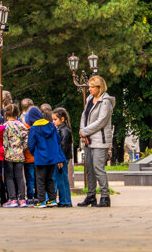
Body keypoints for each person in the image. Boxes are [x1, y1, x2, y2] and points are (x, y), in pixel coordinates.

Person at [78, 75, 115, 208]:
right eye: (89, 87)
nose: (89, 89)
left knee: (98, 167)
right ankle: (91, 196)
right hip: (88, 139)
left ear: (99, 88)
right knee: (89, 168)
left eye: (92, 87)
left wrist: (85, 131)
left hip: (100, 140)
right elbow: (84, 116)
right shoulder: (89, 99)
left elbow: (101, 121)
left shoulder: (106, 101)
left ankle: (105, 197)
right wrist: (83, 132)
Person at [26, 106, 62, 208]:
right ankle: (52, 199)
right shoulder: (51, 125)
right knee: (50, 179)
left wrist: (34, 153)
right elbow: (58, 140)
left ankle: (41, 201)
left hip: (40, 158)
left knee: (40, 179)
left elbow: (31, 144)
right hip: (52, 157)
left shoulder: (34, 128)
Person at [1, 104, 27, 207]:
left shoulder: (5, 126)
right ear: (17, 113)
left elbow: (5, 141)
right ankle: (22, 199)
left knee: (9, 177)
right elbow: (26, 139)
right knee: (20, 176)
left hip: (8, 155)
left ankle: (12, 199)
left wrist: (5, 150)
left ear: (6, 114)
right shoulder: (21, 125)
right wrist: (22, 147)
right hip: (19, 154)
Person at [53, 107, 74, 207]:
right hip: (62, 157)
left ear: (62, 119)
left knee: (62, 179)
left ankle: (65, 201)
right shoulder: (61, 129)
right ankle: (64, 200)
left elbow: (63, 146)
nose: (54, 121)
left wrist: (59, 159)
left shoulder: (64, 130)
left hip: (62, 158)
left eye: (55, 119)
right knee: (61, 179)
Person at [20, 98, 37, 203]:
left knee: (30, 179)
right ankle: (38, 196)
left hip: (28, 158)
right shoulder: (37, 127)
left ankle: (30, 197)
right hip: (36, 158)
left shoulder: (24, 128)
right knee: (36, 178)